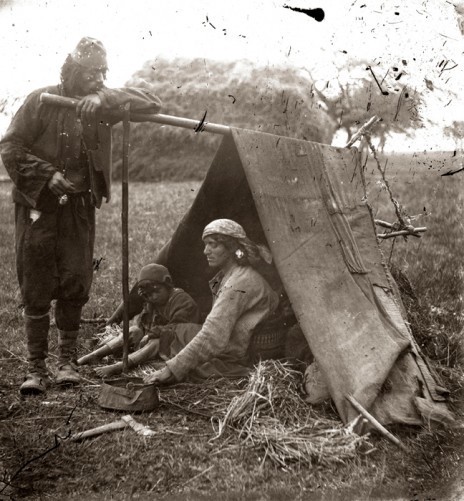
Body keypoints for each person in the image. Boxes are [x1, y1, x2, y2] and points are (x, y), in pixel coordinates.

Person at [0, 37, 162, 394]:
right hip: (38, 208)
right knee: (37, 281)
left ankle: (66, 363)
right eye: (90, 74)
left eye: (102, 72)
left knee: (75, 280)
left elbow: (152, 101)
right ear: (72, 70)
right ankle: (35, 367)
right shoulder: (40, 101)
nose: (97, 78)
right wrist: (45, 175)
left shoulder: (101, 105)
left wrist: (103, 98)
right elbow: (10, 146)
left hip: (79, 208)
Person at [142, 219, 279, 385]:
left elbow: (213, 334)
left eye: (213, 244)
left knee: (193, 368)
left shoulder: (239, 283)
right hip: (232, 340)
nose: (206, 251)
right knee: (177, 332)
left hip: (242, 352)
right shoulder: (228, 276)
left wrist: (172, 370)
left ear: (231, 247)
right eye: (206, 244)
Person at [77, 263, 200, 376]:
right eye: (148, 294)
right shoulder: (152, 302)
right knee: (134, 330)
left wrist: (151, 335)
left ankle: (119, 366)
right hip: (158, 343)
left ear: (168, 285)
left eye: (157, 291)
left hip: (179, 345)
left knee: (156, 342)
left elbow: (177, 330)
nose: (154, 297)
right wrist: (144, 322)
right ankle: (95, 355)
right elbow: (143, 324)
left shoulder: (182, 301)